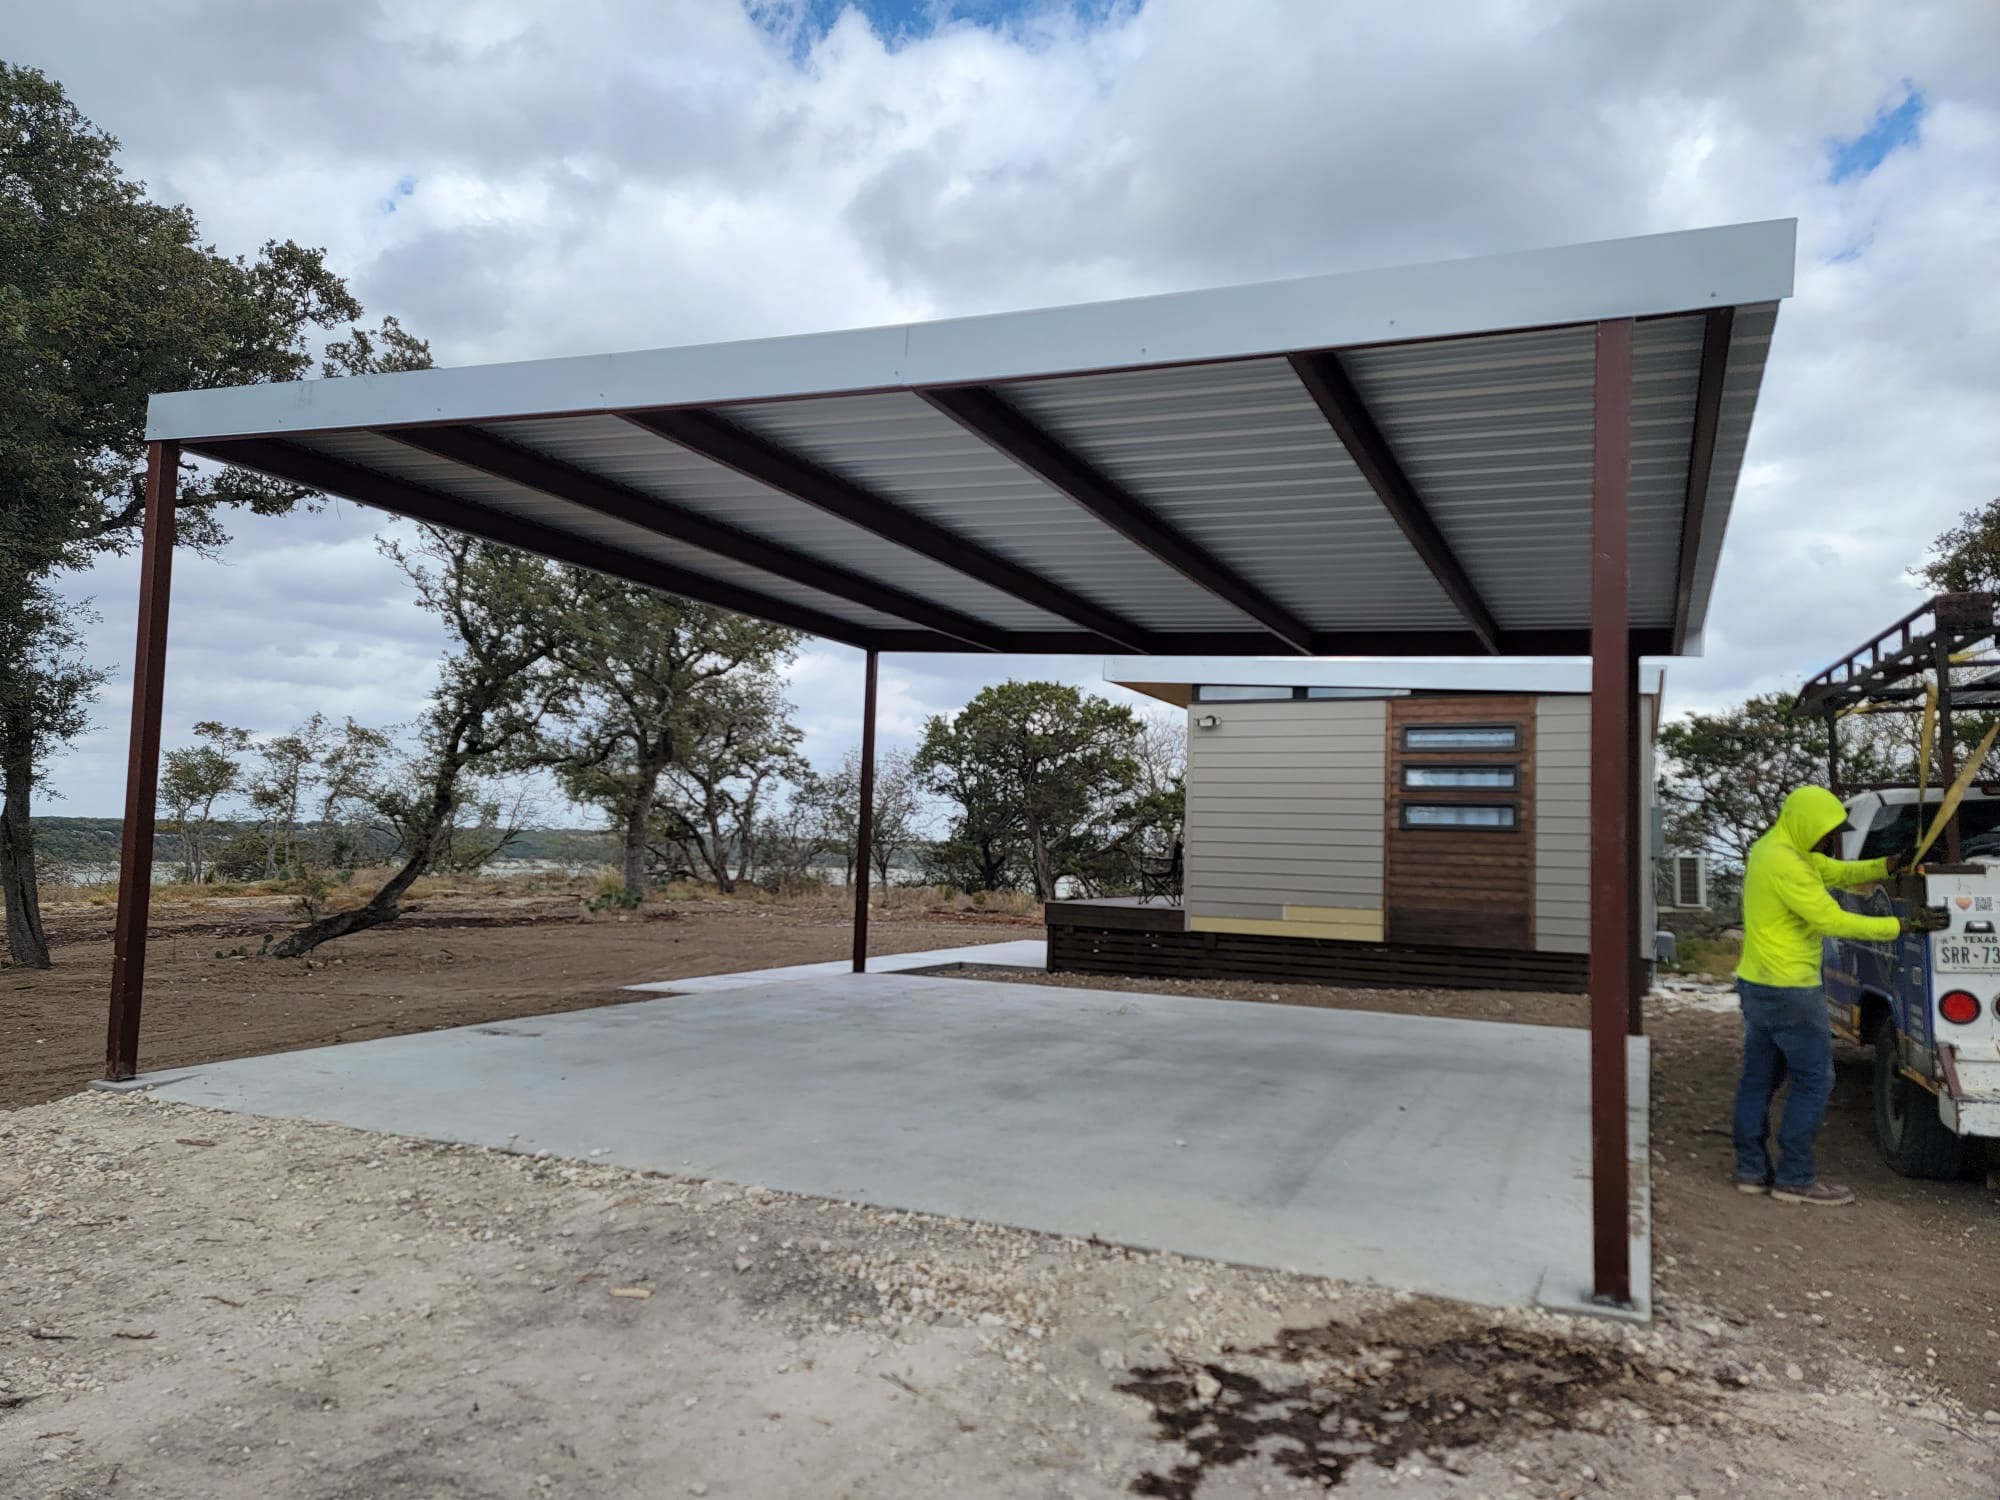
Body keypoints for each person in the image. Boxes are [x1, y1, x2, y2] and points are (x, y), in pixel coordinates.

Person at [1732, 785, 1945, 1206]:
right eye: (1827, 832)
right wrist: (1903, 926)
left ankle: (1751, 1171)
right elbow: (1832, 919)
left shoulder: (1774, 848)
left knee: (1759, 1079)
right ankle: (1794, 1177)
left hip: (1758, 985)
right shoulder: (1786, 864)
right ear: (1809, 824)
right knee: (1815, 1081)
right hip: (1790, 989)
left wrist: (1886, 865)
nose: (1830, 840)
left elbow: (1833, 872)